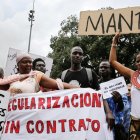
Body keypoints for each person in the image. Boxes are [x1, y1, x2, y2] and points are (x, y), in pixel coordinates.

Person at [61, 46, 114, 130]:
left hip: (87, 117)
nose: (77, 55)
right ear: (70, 55)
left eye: (80, 54)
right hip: (69, 118)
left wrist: (108, 112)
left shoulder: (90, 73)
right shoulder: (63, 75)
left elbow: (100, 94)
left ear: (83, 57)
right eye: (75, 53)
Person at [109, 32, 140, 140]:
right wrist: (114, 42)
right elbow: (113, 61)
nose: (139, 63)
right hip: (135, 123)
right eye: (138, 61)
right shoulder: (133, 75)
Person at [0, 53, 78, 95]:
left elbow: (58, 85)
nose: (28, 64)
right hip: (13, 118)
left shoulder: (36, 75)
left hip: (30, 117)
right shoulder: (10, 79)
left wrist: (82, 89)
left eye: (30, 62)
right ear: (18, 65)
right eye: (24, 62)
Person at [99, 60, 131, 139]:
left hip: (116, 126)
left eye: (105, 67)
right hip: (100, 124)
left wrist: (119, 101)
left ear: (111, 70)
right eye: (101, 67)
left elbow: (123, 107)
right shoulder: (95, 85)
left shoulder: (118, 84)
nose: (102, 69)